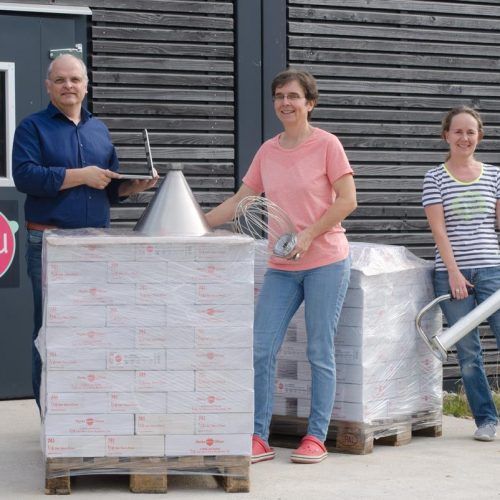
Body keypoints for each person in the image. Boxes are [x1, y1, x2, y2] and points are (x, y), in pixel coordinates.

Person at [206, 68, 357, 464]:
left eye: (293, 96)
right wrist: (193, 223)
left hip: (325, 260)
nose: (285, 103)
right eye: (279, 96)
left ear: (310, 103)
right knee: (260, 347)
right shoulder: (267, 151)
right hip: (281, 265)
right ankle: (258, 436)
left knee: (319, 350)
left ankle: (316, 437)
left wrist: (308, 235)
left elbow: (347, 200)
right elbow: (242, 200)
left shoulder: (327, 145)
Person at [12, 54, 158, 411]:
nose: (68, 86)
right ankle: (51, 420)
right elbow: (25, 176)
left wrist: (133, 187)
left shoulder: (99, 130)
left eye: (75, 79)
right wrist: (81, 175)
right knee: (50, 333)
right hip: (50, 242)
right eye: (60, 80)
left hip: (96, 244)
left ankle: (84, 411)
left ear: (86, 85)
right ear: (48, 86)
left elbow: (107, 188)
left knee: (94, 330)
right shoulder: (32, 128)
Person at [422, 105, 500, 442]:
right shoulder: (435, 177)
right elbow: (439, 231)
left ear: (479, 136)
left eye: (471, 132)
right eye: (458, 131)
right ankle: (486, 420)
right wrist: (453, 272)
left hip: (493, 271)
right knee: (468, 351)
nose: (464, 137)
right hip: (452, 274)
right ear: (446, 135)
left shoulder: (496, 175)